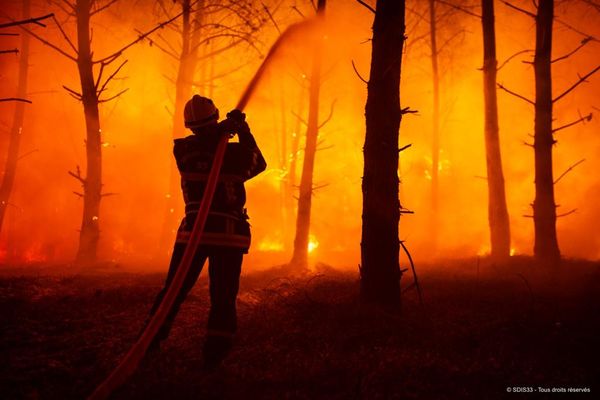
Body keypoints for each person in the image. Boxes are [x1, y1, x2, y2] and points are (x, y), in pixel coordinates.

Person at [147, 95, 266, 369]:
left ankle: (150, 341)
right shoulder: (233, 153)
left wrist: (224, 131)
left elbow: (204, 147)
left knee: (173, 291)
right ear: (215, 118)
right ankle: (215, 355)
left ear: (189, 125)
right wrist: (242, 130)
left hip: (191, 236)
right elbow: (258, 163)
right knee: (222, 296)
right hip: (227, 235)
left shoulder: (183, 151)